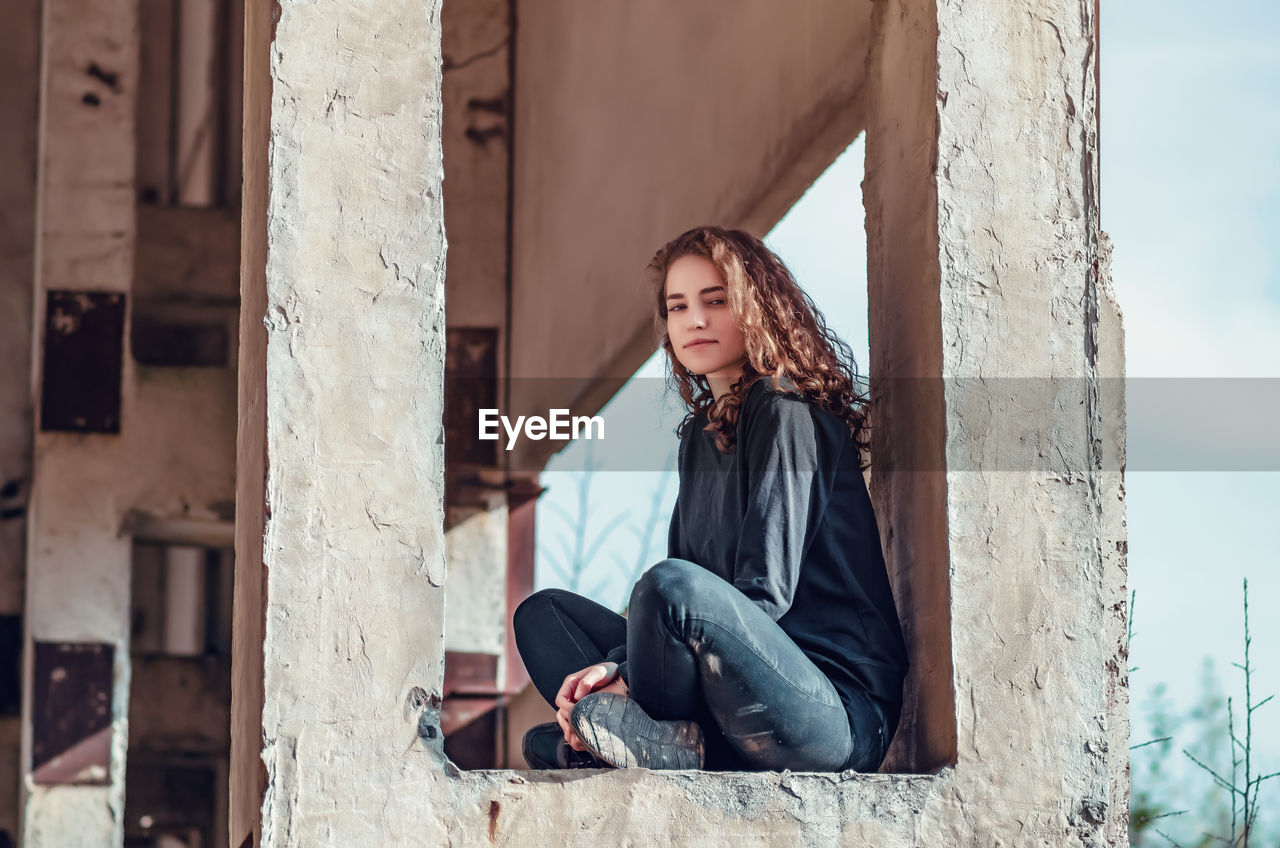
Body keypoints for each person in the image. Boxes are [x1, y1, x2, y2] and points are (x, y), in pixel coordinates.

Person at [513, 226, 908, 772]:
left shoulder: (785, 410)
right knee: (544, 613)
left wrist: (622, 675)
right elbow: (673, 610)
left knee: (667, 585)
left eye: (715, 301)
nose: (694, 321)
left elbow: (761, 593)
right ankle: (655, 741)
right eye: (678, 307)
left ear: (756, 308)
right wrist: (614, 667)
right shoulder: (698, 438)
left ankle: (632, 739)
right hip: (730, 709)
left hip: (827, 713)